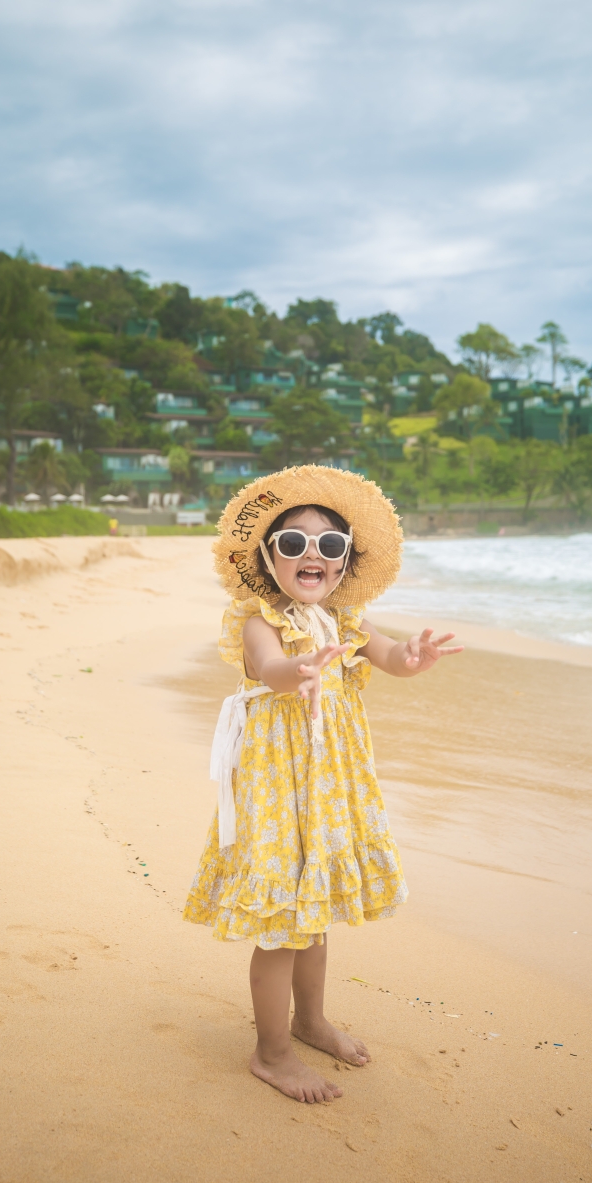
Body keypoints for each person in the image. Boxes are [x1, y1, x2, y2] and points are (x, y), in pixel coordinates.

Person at [183, 466, 462, 1103]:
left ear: (343, 563)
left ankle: (309, 1021)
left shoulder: (345, 621)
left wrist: (412, 660)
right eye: (294, 544)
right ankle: (271, 1052)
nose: (313, 554)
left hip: (329, 786)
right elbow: (272, 669)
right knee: (282, 920)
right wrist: (298, 670)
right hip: (278, 790)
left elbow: (388, 655)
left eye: (329, 545)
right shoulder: (259, 621)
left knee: (313, 912)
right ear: (269, 557)